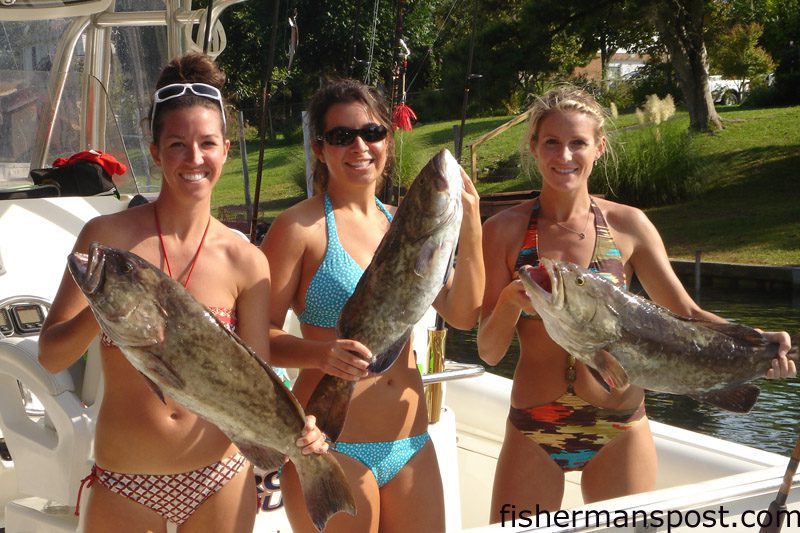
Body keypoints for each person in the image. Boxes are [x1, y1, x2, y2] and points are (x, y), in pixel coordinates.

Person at [477, 85, 796, 520]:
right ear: (533, 146)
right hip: (537, 426)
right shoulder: (503, 230)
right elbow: (489, 350)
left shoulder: (628, 224)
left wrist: (761, 343)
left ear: (599, 148)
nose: (564, 155)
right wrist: (512, 301)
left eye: (578, 143)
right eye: (551, 141)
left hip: (621, 427)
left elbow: (687, 315)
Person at [38, 52, 327, 532]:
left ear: (226, 150)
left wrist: (301, 431)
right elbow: (50, 357)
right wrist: (109, 309)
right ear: (155, 152)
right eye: (177, 144)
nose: (194, 159)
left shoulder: (246, 261)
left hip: (220, 478)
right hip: (126, 480)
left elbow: (256, 379)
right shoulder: (105, 241)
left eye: (207, 144)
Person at [260, 78, 484, 532]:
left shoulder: (407, 223)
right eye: (341, 136)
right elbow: (255, 339)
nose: (359, 146)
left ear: (388, 140)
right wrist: (321, 354)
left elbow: (464, 314)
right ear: (320, 149)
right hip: (330, 446)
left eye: (372, 132)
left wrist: (472, 226)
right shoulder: (298, 228)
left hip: (411, 444)